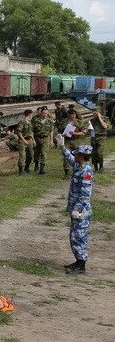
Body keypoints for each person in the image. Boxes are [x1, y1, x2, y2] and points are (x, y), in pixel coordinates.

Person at [57, 137, 94, 274]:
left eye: (77, 154)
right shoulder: (80, 166)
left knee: (79, 236)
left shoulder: (87, 172)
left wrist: (77, 210)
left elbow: (85, 195)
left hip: (81, 210)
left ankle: (81, 265)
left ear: (82, 157)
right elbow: (70, 160)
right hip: (76, 209)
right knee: (75, 235)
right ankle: (78, 261)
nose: (75, 156)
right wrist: (62, 147)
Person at [61, 110, 87, 179]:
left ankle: (77, 171)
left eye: (74, 115)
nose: (73, 116)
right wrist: (63, 135)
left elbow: (84, 132)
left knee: (78, 156)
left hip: (76, 141)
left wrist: (75, 133)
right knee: (66, 156)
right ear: (68, 115)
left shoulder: (79, 122)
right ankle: (67, 174)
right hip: (67, 141)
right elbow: (60, 131)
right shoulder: (64, 122)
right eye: (71, 115)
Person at [31, 106, 55, 174]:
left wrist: (51, 140)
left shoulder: (49, 121)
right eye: (44, 113)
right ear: (41, 113)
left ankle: (42, 169)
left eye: (46, 113)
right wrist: (33, 140)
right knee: (36, 154)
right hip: (37, 138)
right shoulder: (35, 120)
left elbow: (51, 131)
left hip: (45, 138)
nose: (45, 115)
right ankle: (36, 165)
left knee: (44, 154)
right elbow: (31, 130)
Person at [89, 107, 109, 172]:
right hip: (93, 137)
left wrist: (100, 118)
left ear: (99, 112)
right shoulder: (91, 120)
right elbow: (90, 129)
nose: (94, 113)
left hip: (101, 137)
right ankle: (95, 167)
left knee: (99, 152)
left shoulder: (105, 118)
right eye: (93, 112)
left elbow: (105, 126)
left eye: (95, 112)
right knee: (93, 153)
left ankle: (101, 166)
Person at [16, 109, 35, 174]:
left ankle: (27, 168)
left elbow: (31, 132)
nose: (32, 115)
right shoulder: (22, 122)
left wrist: (33, 140)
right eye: (32, 114)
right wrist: (24, 141)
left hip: (29, 140)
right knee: (22, 156)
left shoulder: (29, 122)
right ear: (29, 114)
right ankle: (21, 171)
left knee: (31, 155)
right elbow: (19, 133)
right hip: (22, 141)